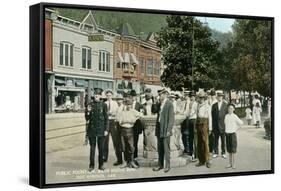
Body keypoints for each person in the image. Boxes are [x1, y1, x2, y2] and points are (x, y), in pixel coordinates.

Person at [84, 88, 108, 171]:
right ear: (94, 95)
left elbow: (106, 118)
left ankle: (101, 165)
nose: (96, 96)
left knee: (101, 149)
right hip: (92, 130)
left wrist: (106, 130)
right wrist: (88, 111)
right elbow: (87, 118)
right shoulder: (90, 105)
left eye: (98, 95)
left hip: (101, 130)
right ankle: (91, 165)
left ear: (100, 96)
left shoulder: (104, 105)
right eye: (95, 95)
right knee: (92, 149)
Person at [152, 88, 175, 173]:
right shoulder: (159, 104)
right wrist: (154, 102)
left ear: (165, 94)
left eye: (161, 94)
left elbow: (171, 119)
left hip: (165, 129)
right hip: (159, 129)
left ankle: (167, 166)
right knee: (160, 148)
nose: (159, 96)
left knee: (166, 148)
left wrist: (169, 130)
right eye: (159, 95)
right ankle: (160, 165)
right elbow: (153, 111)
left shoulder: (169, 104)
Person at [119, 98, 142, 168]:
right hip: (123, 130)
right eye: (128, 105)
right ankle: (125, 162)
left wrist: (133, 120)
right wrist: (128, 120)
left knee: (131, 147)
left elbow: (141, 115)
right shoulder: (122, 112)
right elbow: (120, 121)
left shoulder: (133, 111)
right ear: (125, 105)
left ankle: (131, 161)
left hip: (130, 130)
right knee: (124, 147)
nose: (129, 106)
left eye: (130, 105)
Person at [195, 91, 212, 168]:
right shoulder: (197, 105)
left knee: (205, 142)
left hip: (204, 124)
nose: (201, 99)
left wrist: (210, 127)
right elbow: (196, 115)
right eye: (200, 97)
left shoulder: (207, 106)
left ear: (204, 98)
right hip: (198, 123)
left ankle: (207, 160)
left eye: (202, 98)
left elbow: (210, 117)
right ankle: (201, 160)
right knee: (199, 143)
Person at [103, 89, 120, 165]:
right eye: (107, 95)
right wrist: (107, 113)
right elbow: (103, 113)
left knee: (115, 141)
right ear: (106, 96)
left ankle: (119, 159)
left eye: (110, 95)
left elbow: (117, 112)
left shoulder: (115, 103)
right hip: (106, 123)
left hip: (113, 122)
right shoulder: (104, 103)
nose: (108, 97)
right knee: (105, 141)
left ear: (112, 96)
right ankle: (104, 157)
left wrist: (112, 113)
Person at [224, 104, 243, 169]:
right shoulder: (226, 116)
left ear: (234, 109)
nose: (230, 109)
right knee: (229, 150)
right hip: (227, 134)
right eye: (229, 108)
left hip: (232, 135)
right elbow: (225, 124)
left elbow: (241, 123)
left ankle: (234, 164)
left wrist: (235, 129)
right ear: (227, 109)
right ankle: (230, 163)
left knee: (233, 150)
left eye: (231, 108)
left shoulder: (235, 116)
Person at [211, 91, 228, 159]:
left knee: (223, 140)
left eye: (221, 96)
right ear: (217, 97)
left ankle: (223, 152)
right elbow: (212, 116)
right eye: (218, 96)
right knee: (215, 140)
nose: (219, 97)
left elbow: (227, 116)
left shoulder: (225, 105)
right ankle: (216, 152)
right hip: (215, 126)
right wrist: (212, 126)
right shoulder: (214, 105)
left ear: (222, 97)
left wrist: (226, 125)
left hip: (223, 125)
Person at [187, 90, 198, 161]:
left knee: (195, 138)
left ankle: (196, 155)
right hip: (189, 120)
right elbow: (186, 112)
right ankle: (191, 153)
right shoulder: (188, 103)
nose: (192, 98)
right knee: (190, 137)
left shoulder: (196, 104)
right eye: (191, 96)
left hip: (194, 120)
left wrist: (190, 113)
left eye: (193, 96)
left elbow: (195, 112)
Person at [207, 89, 217, 154]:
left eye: (213, 95)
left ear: (215, 95)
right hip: (209, 119)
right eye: (211, 95)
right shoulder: (209, 101)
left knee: (214, 135)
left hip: (214, 120)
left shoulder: (216, 102)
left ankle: (215, 149)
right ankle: (210, 148)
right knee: (209, 134)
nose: (212, 96)